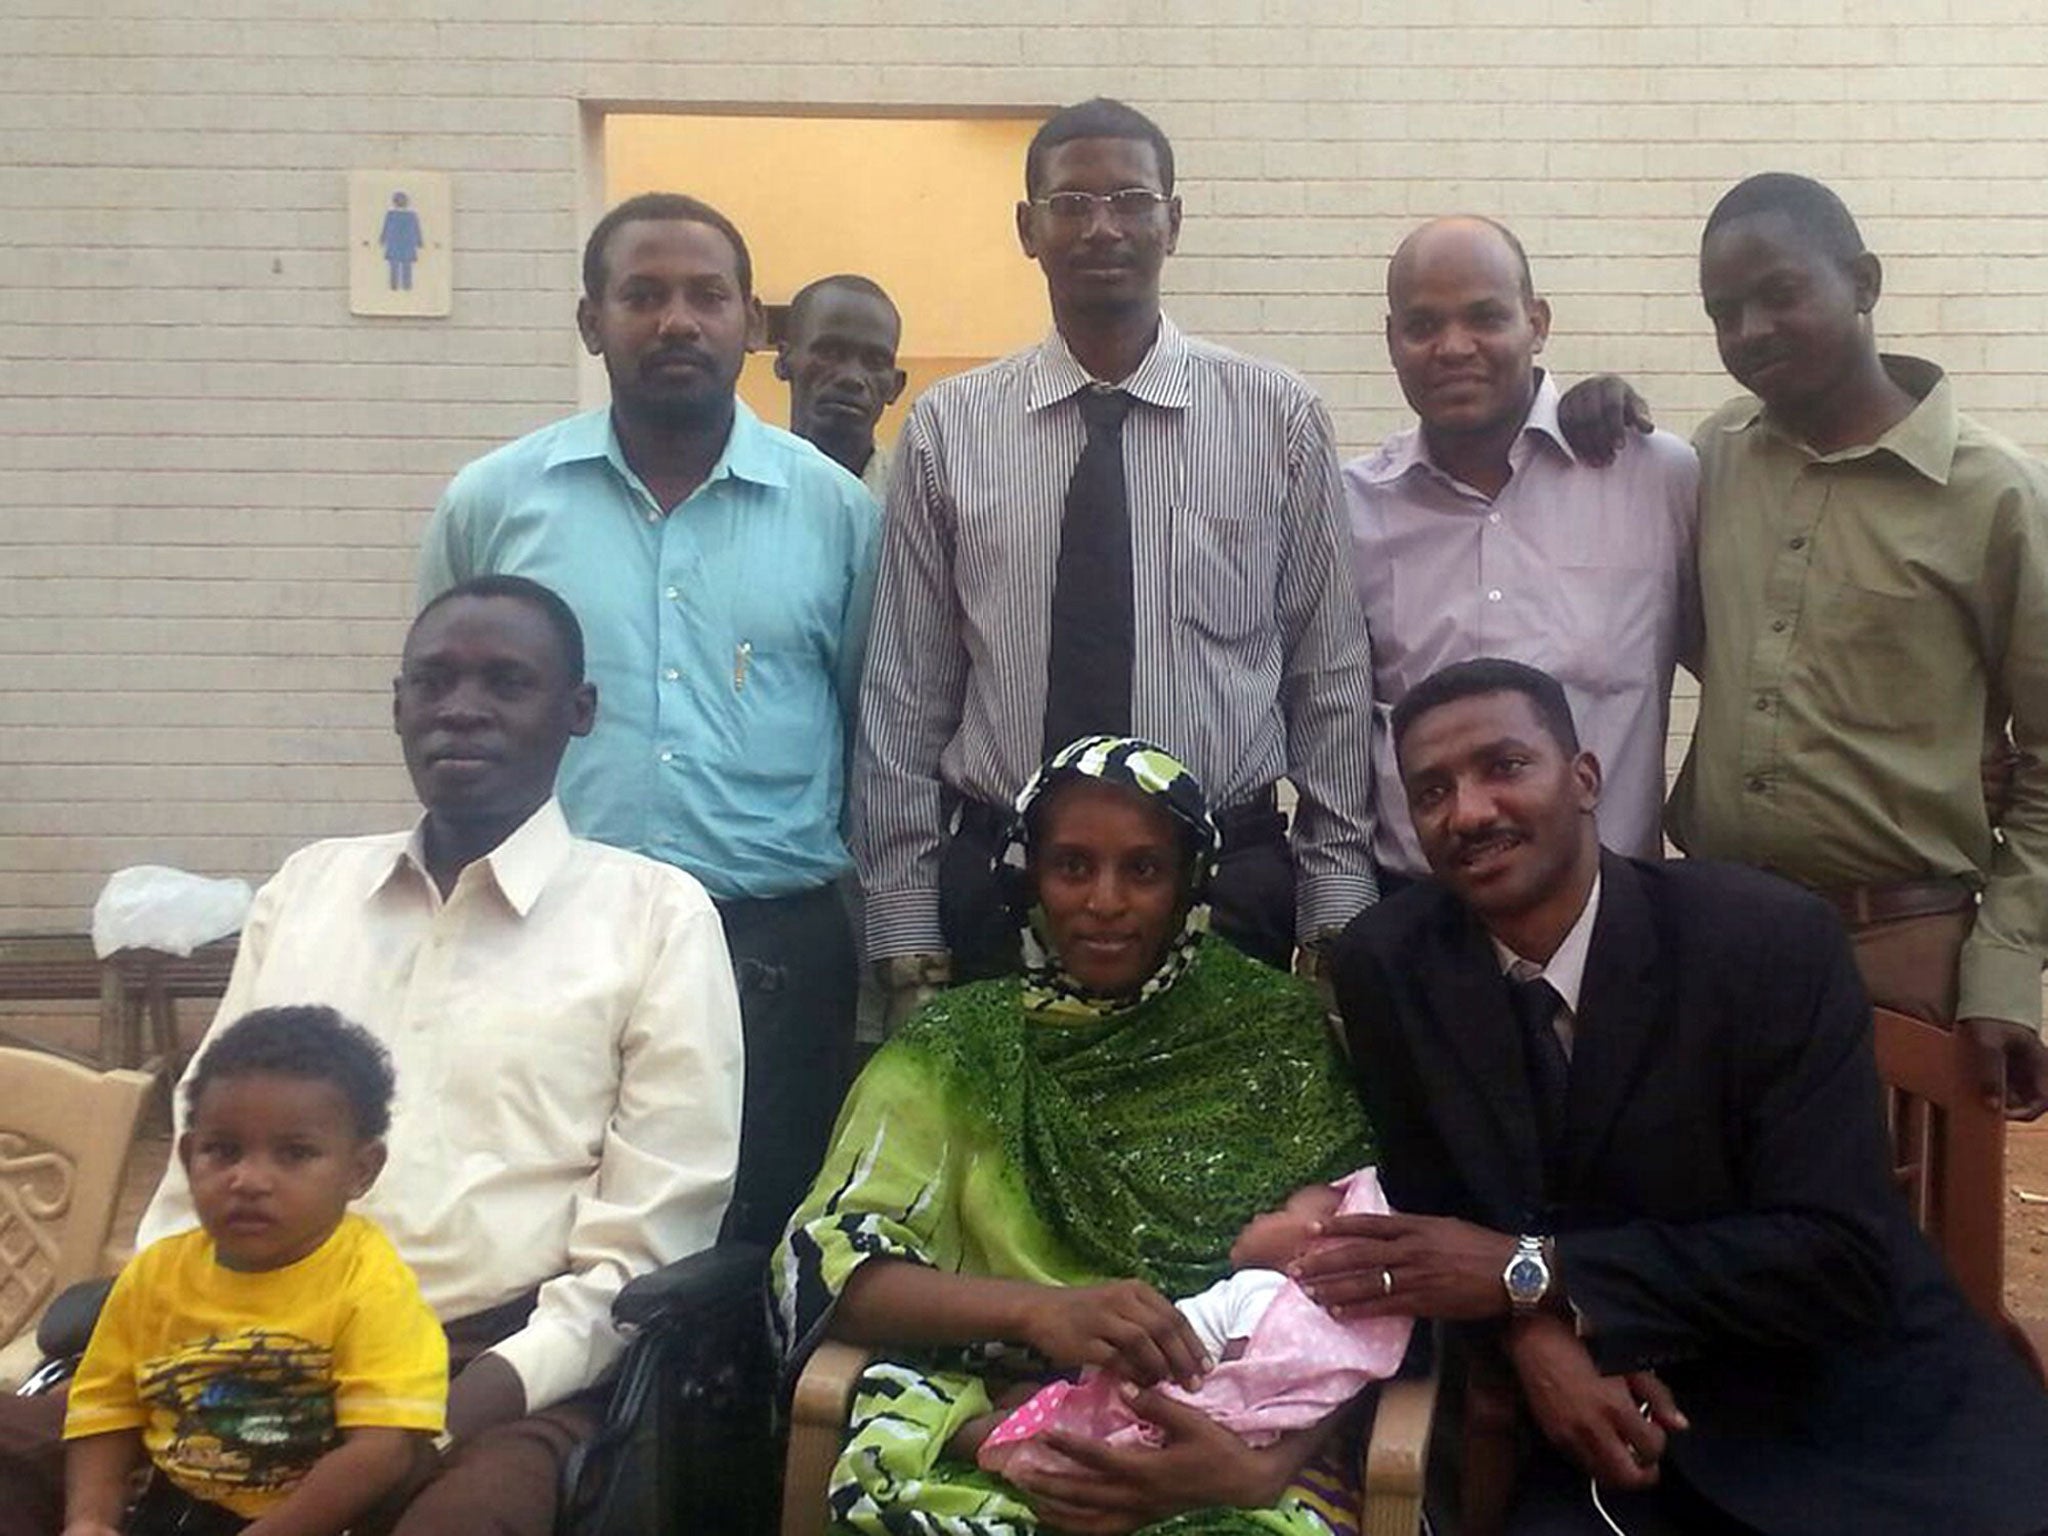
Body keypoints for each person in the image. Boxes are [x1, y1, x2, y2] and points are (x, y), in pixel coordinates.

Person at [0, 576, 745, 1536]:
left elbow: (646, 1246)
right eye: (433, 681)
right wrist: (175, 1355)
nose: (462, 709)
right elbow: (206, 1154)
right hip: (229, 1342)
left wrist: (427, 1421)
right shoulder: (310, 890)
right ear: (398, 705)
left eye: (505, 683)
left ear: (579, 711)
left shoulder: (654, 917)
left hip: (487, 1367)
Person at [1305, 657, 2048, 1535]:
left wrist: (1533, 1279)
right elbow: (1442, 1226)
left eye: (1504, 767)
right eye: (1432, 791)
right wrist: (1531, 1330)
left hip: (1847, 1414)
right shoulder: (1389, 969)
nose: (1468, 811)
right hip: (1604, 1423)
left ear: (1585, 779)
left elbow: (1835, 1255)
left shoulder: (1764, 942)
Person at [418, 192, 880, 1242]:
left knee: (752, 1237)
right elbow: (443, 710)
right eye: (642, 295)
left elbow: (869, 728)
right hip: (545, 932)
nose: (676, 320)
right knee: (538, 1222)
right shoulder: (494, 503)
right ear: (591, 322)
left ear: (750, 323)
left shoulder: (837, 515)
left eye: (705, 296)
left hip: (766, 947)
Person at [854, 97, 1377, 1022]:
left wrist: (1336, 913)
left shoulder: (1275, 419)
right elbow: (906, 694)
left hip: (1221, 886)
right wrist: (904, 927)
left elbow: (1327, 676)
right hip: (1006, 884)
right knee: (1013, 1163)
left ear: (1175, 219)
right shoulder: (948, 430)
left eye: (1132, 199)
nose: (1104, 226)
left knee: (1220, 1166)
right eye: (1072, 202)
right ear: (1028, 228)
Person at [775, 735, 1377, 1535]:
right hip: (991, 1441)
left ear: (1191, 881)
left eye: (1144, 870)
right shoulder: (958, 1047)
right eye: (1072, 867)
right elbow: (825, 1269)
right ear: (1029, 875)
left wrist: (1256, 1467)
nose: (1104, 902)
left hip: (1233, 1460)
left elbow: (1362, 1295)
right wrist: (1035, 1312)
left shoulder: (1279, 1035)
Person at [1557, 172, 2048, 1120]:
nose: (1749, 332)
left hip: (1897, 950)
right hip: (1715, 935)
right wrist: (1593, 416)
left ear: (1863, 281)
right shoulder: (1718, 456)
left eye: (1779, 294)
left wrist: (2005, 968)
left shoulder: (1998, 498)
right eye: (1722, 311)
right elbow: (1709, 641)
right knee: (1715, 1236)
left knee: (1902, 1236)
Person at [1345, 216, 1696, 887]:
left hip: (1613, 922)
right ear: (1391, 341)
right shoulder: (1351, 507)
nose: (1453, 347)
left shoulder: (1654, 478)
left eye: (1485, 317)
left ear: (1536, 323)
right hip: (1421, 922)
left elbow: (1740, 670)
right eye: (1422, 326)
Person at [62, 1006, 444, 1536]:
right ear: (188, 1154)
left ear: (360, 1170)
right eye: (223, 1150)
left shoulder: (370, 1285)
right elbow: (106, 1409)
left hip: (321, 1516)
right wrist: (89, 1518)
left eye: (294, 1154)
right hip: (174, 1506)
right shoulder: (154, 1276)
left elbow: (381, 1451)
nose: (248, 1179)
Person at [974, 1169, 1411, 1486]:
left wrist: (1192, 1405)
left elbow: (1245, 1370)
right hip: (1150, 1399)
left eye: (1280, 1210)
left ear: (1314, 1247)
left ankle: (959, 1434)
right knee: (1035, 1411)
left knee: (1035, 1431)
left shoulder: (1267, 1293)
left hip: (1153, 1405)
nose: (1261, 1212)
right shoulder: (1294, 1317)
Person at [775, 273, 907, 496]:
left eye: (875, 361)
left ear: (896, 386)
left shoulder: (916, 500)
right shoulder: (735, 490)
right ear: (784, 361)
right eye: (830, 353)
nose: (851, 378)